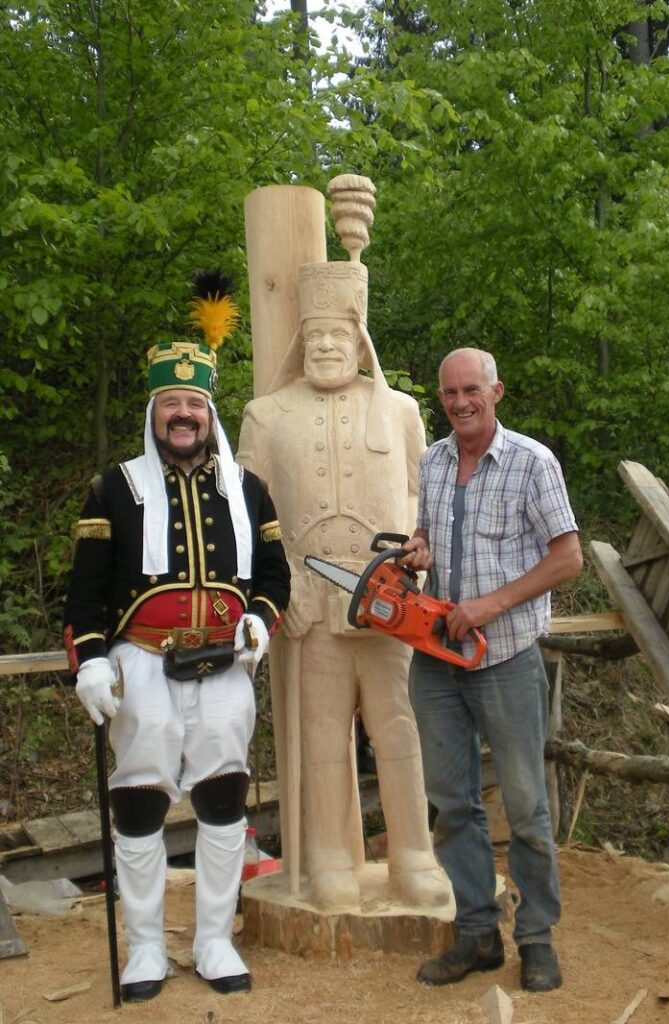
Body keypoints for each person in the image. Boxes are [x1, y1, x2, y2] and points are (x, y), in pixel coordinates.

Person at [63, 271, 290, 1002]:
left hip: (224, 663)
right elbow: (84, 590)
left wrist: (259, 618)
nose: (183, 415)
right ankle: (146, 948)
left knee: (224, 797)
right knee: (139, 802)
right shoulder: (114, 488)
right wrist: (89, 660)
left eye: (194, 403)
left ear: (209, 412)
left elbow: (275, 574)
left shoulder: (247, 489)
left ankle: (215, 939)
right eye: (171, 404)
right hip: (141, 664)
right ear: (154, 412)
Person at [238, 260, 450, 911]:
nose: (327, 345)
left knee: (400, 728)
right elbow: (246, 513)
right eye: (315, 335)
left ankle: (414, 854)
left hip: (389, 602)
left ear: (361, 342)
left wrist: (414, 569)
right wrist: (280, 585)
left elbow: (422, 497)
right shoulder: (266, 415)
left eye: (339, 334)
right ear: (300, 341)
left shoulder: (400, 410)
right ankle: (328, 857)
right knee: (322, 735)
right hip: (309, 603)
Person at [401, 347, 583, 992]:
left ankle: (536, 937)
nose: (461, 402)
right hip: (435, 657)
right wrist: (417, 550)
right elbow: (429, 536)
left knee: (526, 806)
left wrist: (490, 604)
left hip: (504, 655)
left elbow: (568, 557)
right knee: (452, 803)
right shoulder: (433, 460)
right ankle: (477, 933)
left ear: (495, 391)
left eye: (471, 390)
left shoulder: (533, 462)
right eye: (450, 393)